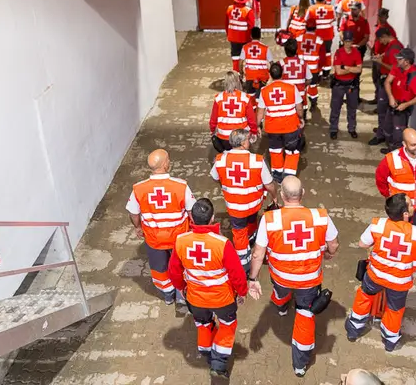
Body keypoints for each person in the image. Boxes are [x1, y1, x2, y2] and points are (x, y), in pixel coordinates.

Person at [247, 176, 340, 377]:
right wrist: (329, 253)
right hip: (309, 280)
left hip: (281, 276)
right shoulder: (320, 216)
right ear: (303, 193)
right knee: (305, 320)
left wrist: (252, 279)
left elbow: (258, 253)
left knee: (280, 292)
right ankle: (300, 365)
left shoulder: (269, 220)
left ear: (281, 195)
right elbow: (333, 244)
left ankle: (281, 308)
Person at [168, 199, 248, 378]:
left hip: (195, 298)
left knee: (203, 324)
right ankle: (218, 364)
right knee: (227, 325)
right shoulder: (222, 243)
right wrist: (242, 292)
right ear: (212, 218)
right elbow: (237, 274)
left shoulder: (181, 241)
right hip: (222, 299)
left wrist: (182, 288)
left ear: (192, 218)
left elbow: (173, 271)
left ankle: (206, 352)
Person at [345, 194, 416, 351]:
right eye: (411, 205)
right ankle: (390, 341)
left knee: (364, 298)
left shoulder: (377, 225)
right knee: (394, 311)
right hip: (399, 282)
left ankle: (353, 330)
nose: (414, 206)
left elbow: (362, 243)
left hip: (375, 276)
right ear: (405, 214)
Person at [126, 149, 196, 314]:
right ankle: (181, 295)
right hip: (178, 237)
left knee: (159, 267)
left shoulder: (139, 188)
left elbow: (133, 213)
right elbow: (192, 210)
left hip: (154, 238)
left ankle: (167, 294)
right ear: (165, 164)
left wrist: (138, 227)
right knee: (180, 266)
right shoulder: (180, 186)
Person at [210, 129, 279, 272]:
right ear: (242, 143)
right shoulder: (257, 160)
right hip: (254, 203)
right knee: (251, 222)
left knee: (239, 232)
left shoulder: (220, 159)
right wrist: (275, 196)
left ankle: (244, 263)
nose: (250, 141)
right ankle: (250, 246)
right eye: (248, 139)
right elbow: (269, 185)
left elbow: (216, 178)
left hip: (235, 206)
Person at [375, 128, 416, 273]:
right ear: (404, 144)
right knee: (400, 236)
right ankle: (399, 260)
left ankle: (414, 261)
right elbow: (380, 179)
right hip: (402, 209)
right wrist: (389, 198)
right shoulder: (391, 159)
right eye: (414, 145)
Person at [257, 63, 305, 182]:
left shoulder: (264, 91)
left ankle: (277, 175)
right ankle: (289, 176)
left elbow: (260, 113)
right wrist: (301, 118)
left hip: (273, 128)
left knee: (275, 150)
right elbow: (299, 108)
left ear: (270, 74)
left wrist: (257, 126)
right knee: (292, 151)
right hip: (291, 126)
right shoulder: (292, 87)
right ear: (282, 73)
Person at [381, 48, 416, 153]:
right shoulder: (397, 68)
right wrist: (391, 97)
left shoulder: (414, 76)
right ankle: (390, 147)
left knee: (398, 133)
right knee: (387, 127)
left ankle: (396, 152)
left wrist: (406, 104)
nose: (397, 61)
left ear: (406, 62)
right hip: (393, 103)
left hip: (402, 108)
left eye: (400, 59)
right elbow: (387, 82)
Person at [369, 27, 404, 147]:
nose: (381, 42)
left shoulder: (394, 48)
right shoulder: (393, 45)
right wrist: (381, 56)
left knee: (382, 109)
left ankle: (381, 135)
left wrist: (380, 63)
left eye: (380, 40)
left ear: (384, 36)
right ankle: (382, 130)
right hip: (387, 81)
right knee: (383, 110)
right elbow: (387, 55)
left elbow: (394, 69)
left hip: (389, 82)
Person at [209, 71, 258, 153]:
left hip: (223, 136)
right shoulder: (245, 98)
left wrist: (212, 130)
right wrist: (254, 132)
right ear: (237, 81)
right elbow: (251, 119)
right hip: (241, 137)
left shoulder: (218, 98)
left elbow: (213, 119)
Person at [329, 30, 362, 140]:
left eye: (349, 41)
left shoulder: (356, 52)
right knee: (335, 108)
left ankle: (352, 128)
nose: (348, 43)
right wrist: (352, 69)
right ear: (343, 41)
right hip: (339, 85)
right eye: (346, 41)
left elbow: (359, 69)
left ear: (352, 41)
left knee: (352, 108)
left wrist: (346, 68)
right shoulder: (339, 53)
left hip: (352, 85)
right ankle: (333, 129)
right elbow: (338, 72)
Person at [280, 38, 313, 119]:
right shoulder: (303, 63)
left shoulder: (280, 64)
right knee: (301, 119)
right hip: (301, 97)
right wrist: (303, 85)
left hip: (286, 97)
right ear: (296, 49)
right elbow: (309, 79)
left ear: (285, 50)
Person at [296, 21, 325, 112]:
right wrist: (320, 70)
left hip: (301, 68)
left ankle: (302, 106)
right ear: (315, 28)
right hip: (313, 69)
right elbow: (322, 58)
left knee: (301, 87)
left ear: (306, 27)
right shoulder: (319, 40)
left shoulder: (299, 38)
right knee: (312, 87)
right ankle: (313, 103)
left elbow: (294, 53)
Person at [371, 8, 398, 106]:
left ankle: (380, 102)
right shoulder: (378, 26)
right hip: (376, 56)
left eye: (383, 16)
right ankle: (377, 97)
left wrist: (381, 56)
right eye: (379, 16)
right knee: (375, 78)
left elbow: (392, 43)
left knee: (380, 80)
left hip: (383, 59)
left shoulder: (389, 29)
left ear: (386, 17)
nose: (380, 18)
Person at [307, 0, 336, 77]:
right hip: (328, 35)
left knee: (317, 53)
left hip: (316, 36)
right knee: (327, 53)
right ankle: (326, 72)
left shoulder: (311, 9)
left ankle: (318, 72)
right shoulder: (331, 8)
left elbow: (306, 20)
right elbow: (334, 18)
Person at [240, 27, 273, 102]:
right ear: (260, 36)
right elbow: (271, 63)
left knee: (250, 98)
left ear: (251, 36)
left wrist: (241, 73)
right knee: (260, 99)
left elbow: (241, 61)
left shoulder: (245, 47)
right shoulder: (265, 48)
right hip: (262, 78)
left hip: (249, 76)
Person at [226, 0, 255, 72]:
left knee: (235, 56)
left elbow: (226, 24)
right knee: (246, 56)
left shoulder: (230, 8)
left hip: (233, 38)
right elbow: (251, 26)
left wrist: (229, 34)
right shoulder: (248, 11)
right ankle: (246, 73)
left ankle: (236, 73)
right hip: (245, 38)